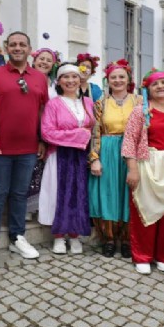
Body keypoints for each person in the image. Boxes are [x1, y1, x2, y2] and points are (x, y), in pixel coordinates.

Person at [0, 31, 49, 264]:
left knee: (19, 194)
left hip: (29, 148)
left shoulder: (40, 78)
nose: (18, 48)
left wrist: (41, 140)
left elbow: (43, 111)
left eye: (22, 44)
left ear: (30, 49)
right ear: (6, 49)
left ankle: (18, 237)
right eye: (13, 44)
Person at [121, 69, 164, 275]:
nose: (160, 87)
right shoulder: (141, 111)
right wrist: (132, 169)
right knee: (143, 209)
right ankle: (142, 255)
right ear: (148, 88)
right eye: (155, 84)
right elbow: (130, 139)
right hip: (147, 163)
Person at [39, 63, 95, 255]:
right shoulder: (53, 104)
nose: (70, 81)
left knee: (79, 194)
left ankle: (75, 234)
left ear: (80, 80)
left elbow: (94, 130)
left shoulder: (88, 103)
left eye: (74, 77)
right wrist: (79, 135)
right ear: (59, 81)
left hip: (81, 156)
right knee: (59, 194)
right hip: (60, 155)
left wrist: (90, 147)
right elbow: (47, 133)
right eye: (66, 77)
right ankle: (59, 236)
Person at [88, 59, 140, 258]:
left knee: (129, 194)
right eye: (113, 77)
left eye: (121, 77)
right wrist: (94, 158)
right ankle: (108, 238)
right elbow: (95, 131)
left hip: (131, 152)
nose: (117, 80)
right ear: (107, 80)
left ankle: (127, 238)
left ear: (128, 79)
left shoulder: (139, 102)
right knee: (108, 194)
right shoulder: (101, 103)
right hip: (107, 150)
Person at [27, 47, 62, 202]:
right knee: (30, 167)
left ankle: (42, 203)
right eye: (42, 58)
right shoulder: (26, 78)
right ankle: (27, 204)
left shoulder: (55, 85)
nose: (44, 62)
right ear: (34, 60)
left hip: (50, 129)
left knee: (44, 166)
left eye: (49, 60)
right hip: (30, 126)